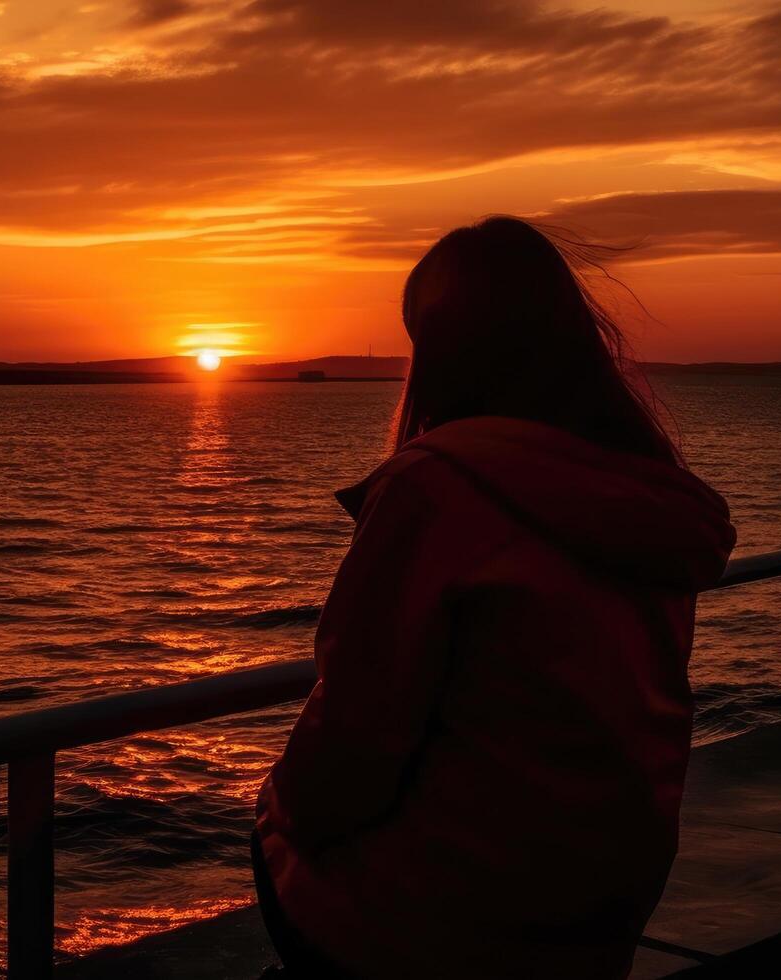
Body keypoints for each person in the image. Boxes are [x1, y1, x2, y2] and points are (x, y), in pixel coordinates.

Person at [252, 216, 737, 979]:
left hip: (459, 919)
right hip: (598, 906)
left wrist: (281, 807)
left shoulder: (435, 487)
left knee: (276, 833)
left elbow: (355, 737)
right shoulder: (640, 489)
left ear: (439, 348)